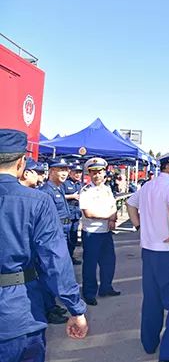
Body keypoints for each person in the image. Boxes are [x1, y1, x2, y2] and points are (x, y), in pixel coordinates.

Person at [0, 129, 88, 361]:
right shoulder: (37, 201)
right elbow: (55, 260)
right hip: (19, 312)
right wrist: (75, 308)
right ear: (21, 163)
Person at [127, 147, 169, 362]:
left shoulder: (148, 185)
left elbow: (130, 203)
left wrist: (138, 226)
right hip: (168, 252)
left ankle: (149, 343)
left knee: (152, 299)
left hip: (149, 251)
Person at [79, 157, 120, 306]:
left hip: (105, 232)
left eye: (100, 172)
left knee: (109, 262)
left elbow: (113, 206)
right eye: (93, 172)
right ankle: (89, 293)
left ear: (105, 173)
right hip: (91, 233)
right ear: (89, 174)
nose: (97, 175)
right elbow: (88, 213)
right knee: (90, 264)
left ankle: (106, 287)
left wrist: (112, 218)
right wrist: (108, 217)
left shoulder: (107, 189)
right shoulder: (86, 191)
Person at [39, 157, 75, 324]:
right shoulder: (46, 190)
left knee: (57, 270)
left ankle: (52, 305)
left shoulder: (58, 188)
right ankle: (48, 309)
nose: (65, 173)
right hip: (55, 234)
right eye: (61, 170)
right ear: (51, 171)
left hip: (64, 231)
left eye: (66, 170)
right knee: (49, 271)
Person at [63, 161, 83, 265]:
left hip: (76, 215)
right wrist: (72, 196)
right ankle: (65, 259)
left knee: (73, 238)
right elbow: (59, 196)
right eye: (76, 172)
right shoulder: (65, 183)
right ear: (70, 173)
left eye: (80, 172)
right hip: (67, 216)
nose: (78, 174)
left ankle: (71, 257)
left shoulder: (80, 185)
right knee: (65, 238)